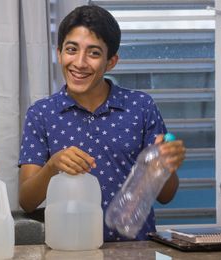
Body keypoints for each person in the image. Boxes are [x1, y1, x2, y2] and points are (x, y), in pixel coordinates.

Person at [18, 5, 186, 242]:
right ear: (59, 53)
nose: (79, 62)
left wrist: (164, 165)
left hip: (135, 251)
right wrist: (52, 166)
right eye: (71, 49)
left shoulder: (141, 107)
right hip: (69, 250)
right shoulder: (41, 114)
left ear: (111, 61)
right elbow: (26, 201)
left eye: (94, 53)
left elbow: (166, 196)